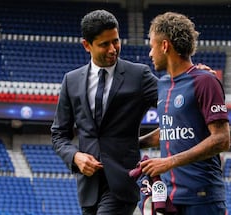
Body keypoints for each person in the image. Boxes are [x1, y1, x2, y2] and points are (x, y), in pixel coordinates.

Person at [51, 10, 159, 215]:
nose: (113, 49)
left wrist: (196, 78)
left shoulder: (139, 75)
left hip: (123, 182)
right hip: (89, 187)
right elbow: (59, 134)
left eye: (116, 41)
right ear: (86, 45)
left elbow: (173, 102)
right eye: (104, 44)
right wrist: (75, 157)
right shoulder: (71, 81)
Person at [138, 12, 231, 215]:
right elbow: (170, 130)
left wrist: (169, 162)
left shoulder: (205, 81)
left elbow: (222, 139)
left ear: (164, 46)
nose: (150, 54)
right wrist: (135, 143)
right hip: (171, 198)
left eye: (152, 46)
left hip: (203, 198)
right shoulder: (162, 84)